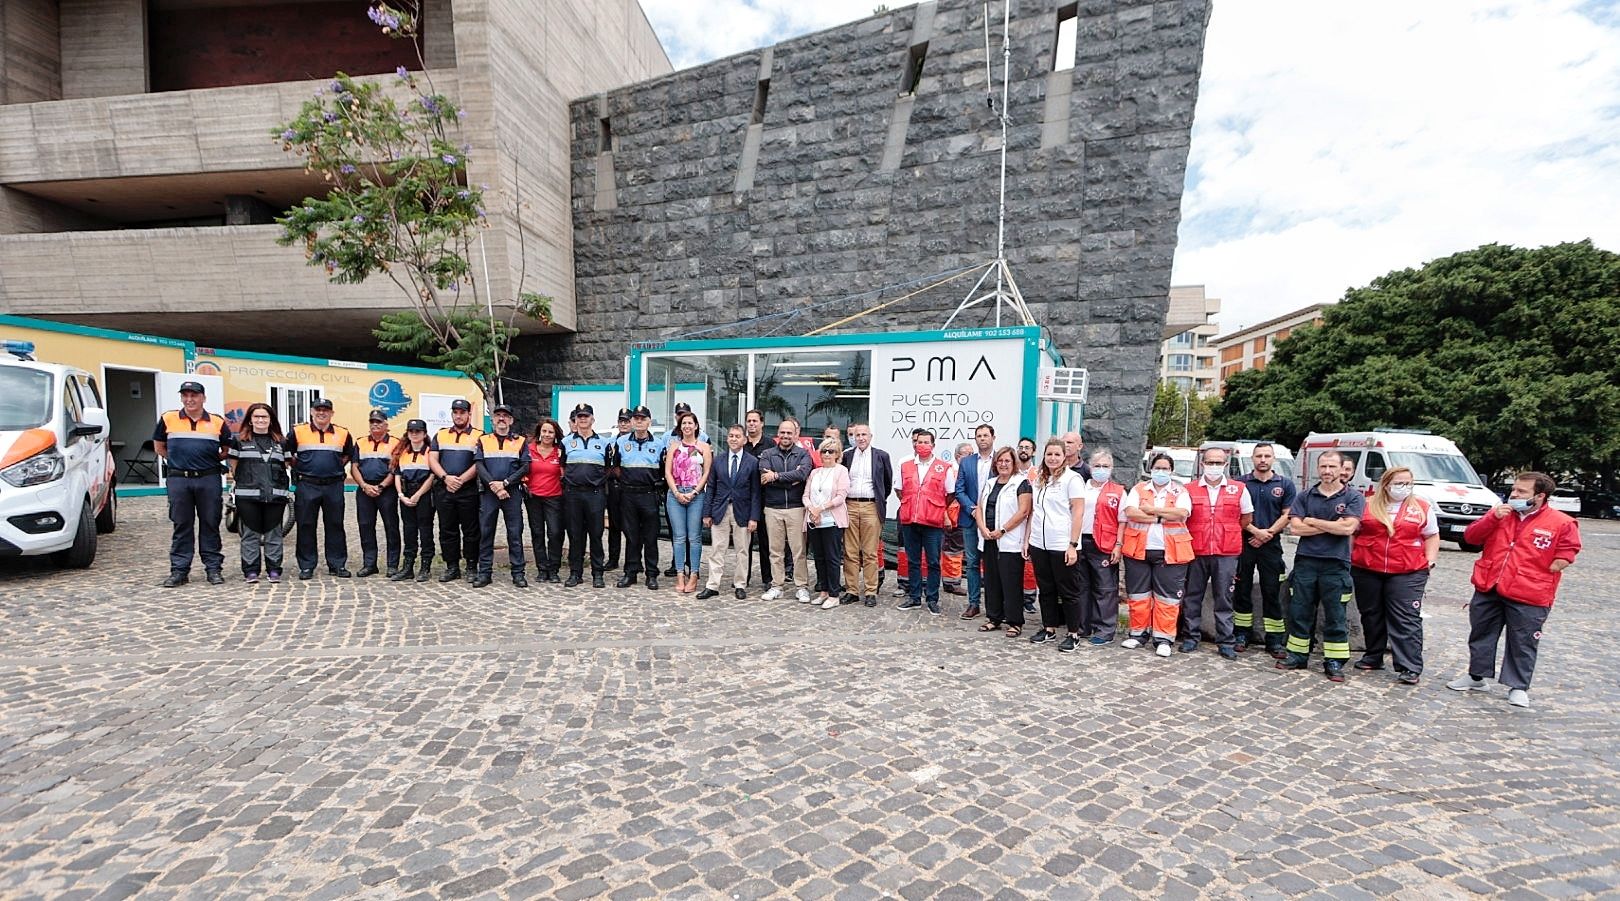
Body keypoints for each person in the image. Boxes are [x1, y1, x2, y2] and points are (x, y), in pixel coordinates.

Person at [1446, 472, 1581, 708]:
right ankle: (1476, 676)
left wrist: (1554, 565)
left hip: (1531, 590)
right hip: (1490, 583)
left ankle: (1518, 686)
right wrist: (1492, 519)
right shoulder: (1500, 514)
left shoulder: (1561, 522)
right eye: (1514, 490)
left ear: (1540, 496)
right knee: (1481, 633)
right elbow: (1471, 537)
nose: (1514, 494)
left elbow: (1568, 551)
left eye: (1521, 492)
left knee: (1523, 641)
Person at [1278, 450, 1364, 683]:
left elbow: (1348, 529)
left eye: (1332, 467)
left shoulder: (1353, 497)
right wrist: (1332, 525)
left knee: (1336, 615)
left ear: (1341, 469)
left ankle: (1334, 661)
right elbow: (1295, 528)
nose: (1327, 471)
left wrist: (1313, 521)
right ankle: (1297, 654)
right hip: (1306, 561)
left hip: (1336, 564)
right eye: (1323, 467)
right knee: (1300, 611)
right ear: (1318, 468)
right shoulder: (1305, 496)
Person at [1351, 467, 1439, 685]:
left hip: (1408, 570)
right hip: (1368, 567)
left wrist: (1430, 560)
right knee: (1371, 614)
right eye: (1399, 483)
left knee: (1405, 617)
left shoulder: (1421, 507)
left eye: (1408, 483)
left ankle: (1409, 666)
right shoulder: (1367, 504)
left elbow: (1432, 535)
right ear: (1386, 483)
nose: (1404, 487)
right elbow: (1354, 532)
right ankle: (1374, 655)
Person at [153, 380, 234, 586]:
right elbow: (159, 447)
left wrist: (209, 461)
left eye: (194, 395)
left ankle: (213, 569)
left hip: (208, 479)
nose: (190, 399)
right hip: (179, 479)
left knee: (210, 523)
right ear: (181, 397)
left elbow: (226, 449)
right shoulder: (168, 418)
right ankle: (179, 571)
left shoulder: (217, 422)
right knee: (182, 524)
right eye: (185, 395)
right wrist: (178, 462)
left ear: (203, 398)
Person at [1178, 445, 1253, 659]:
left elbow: (1246, 518)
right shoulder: (1189, 488)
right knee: (1192, 596)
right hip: (1196, 550)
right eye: (1210, 462)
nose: (1214, 466)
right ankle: (1191, 637)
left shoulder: (1238, 488)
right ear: (1202, 464)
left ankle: (1226, 641)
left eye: (1218, 463)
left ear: (1226, 464)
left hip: (1226, 552)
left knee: (1225, 597)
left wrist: (1225, 532)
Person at [1120, 452, 1193, 657]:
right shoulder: (1138, 489)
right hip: (1138, 550)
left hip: (1171, 552)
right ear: (1150, 469)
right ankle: (1138, 634)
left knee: (1167, 599)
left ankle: (1164, 638)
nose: (1161, 472)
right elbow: (1131, 512)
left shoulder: (1180, 491)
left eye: (1165, 468)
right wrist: (1161, 517)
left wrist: (1151, 510)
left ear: (1171, 470)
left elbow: (1181, 514)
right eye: (1157, 468)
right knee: (1138, 595)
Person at [1234, 442, 1296, 657]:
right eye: (1259, 455)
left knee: (1272, 591)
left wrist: (1267, 534)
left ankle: (1275, 639)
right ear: (1252, 458)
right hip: (1244, 544)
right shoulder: (1241, 484)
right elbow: (1236, 515)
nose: (1263, 459)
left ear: (1273, 459)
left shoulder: (1285, 484)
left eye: (1267, 456)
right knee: (1241, 591)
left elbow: (1287, 514)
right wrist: (1255, 532)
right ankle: (1242, 633)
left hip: (1272, 545)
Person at [1024, 438, 1085, 649]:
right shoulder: (1040, 479)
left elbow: (1078, 512)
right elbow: (1035, 511)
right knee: (1046, 588)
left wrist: (1072, 544)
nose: (1052, 458)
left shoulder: (1072, 479)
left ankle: (1073, 633)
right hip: (1040, 543)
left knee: (1068, 590)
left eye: (1057, 454)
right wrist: (1028, 540)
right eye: (1049, 454)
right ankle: (1048, 627)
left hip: (1061, 543)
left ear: (1064, 456)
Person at [286, 397, 355, 579]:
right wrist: (299, 465)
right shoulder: (297, 431)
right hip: (307, 484)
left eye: (326, 410)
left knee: (335, 525)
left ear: (332, 413)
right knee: (306, 525)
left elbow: (348, 454)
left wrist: (335, 466)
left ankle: (337, 564)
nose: (322, 412)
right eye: (318, 409)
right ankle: (307, 565)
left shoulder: (343, 433)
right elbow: (287, 453)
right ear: (311, 411)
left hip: (334, 485)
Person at [896, 428, 957, 616]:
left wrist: (934, 507)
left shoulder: (943, 467)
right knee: (913, 560)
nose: (921, 445)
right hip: (910, 520)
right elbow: (899, 490)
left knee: (932, 561)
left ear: (933, 445)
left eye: (925, 442)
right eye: (918, 442)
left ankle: (932, 598)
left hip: (933, 522)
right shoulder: (905, 465)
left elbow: (950, 494)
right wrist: (913, 504)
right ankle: (914, 597)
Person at [228, 402, 289, 584]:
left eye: (264, 417)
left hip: (275, 495)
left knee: (273, 533)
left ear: (271, 420)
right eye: (256, 417)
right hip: (248, 496)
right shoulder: (239, 441)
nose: (260, 420)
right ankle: (251, 570)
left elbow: (284, 465)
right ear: (250, 420)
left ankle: (274, 570)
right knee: (250, 533)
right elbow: (233, 466)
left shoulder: (281, 442)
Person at [699, 425, 760, 601]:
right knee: (717, 549)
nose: (733, 439)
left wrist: (754, 517)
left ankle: (740, 584)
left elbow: (756, 492)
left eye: (737, 436)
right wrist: (707, 513)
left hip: (743, 511)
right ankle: (712, 585)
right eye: (731, 436)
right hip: (720, 510)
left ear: (744, 440)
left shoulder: (752, 462)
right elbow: (711, 487)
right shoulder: (718, 460)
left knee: (742, 550)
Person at [975, 446, 1031, 637]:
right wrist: (983, 528)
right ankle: (994, 617)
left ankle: (1015, 621)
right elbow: (980, 507)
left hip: (1009, 540)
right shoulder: (990, 483)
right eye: (1000, 461)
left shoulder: (1021, 483)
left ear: (1014, 463)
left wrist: (1003, 529)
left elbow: (1023, 511)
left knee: (1011, 581)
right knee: (991, 580)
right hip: (988, 538)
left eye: (1007, 460)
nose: (1003, 464)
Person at [474, 403, 530, 588]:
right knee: (486, 532)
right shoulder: (484, 440)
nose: (501, 419)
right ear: (493, 419)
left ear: (511, 420)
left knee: (515, 533)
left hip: (511, 492)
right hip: (490, 492)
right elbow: (479, 465)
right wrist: (494, 485)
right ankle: (484, 573)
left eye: (505, 416)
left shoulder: (521, 441)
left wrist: (505, 484)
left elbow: (525, 466)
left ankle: (518, 573)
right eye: (498, 415)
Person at [759, 418, 813, 602]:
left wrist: (775, 476)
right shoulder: (767, 454)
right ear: (778, 434)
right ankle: (777, 585)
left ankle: (801, 586)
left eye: (789, 433)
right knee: (775, 550)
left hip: (796, 508)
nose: (785, 436)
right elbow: (763, 474)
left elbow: (802, 474)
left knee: (799, 550)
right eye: (782, 432)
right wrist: (789, 478)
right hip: (773, 508)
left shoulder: (803, 454)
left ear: (796, 434)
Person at [429, 399, 481, 583]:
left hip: (468, 490)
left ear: (468, 414)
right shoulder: (441, 435)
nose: (458, 416)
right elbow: (433, 459)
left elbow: (479, 463)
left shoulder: (478, 435)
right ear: (452, 414)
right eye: (455, 412)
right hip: (445, 489)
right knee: (447, 529)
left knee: (471, 530)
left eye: (462, 412)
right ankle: (452, 567)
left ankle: (472, 566)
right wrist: (445, 478)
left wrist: (460, 480)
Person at [561, 402, 613, 588]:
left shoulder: (604, 443)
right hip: (573, 494)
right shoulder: (566, 442)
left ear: (592, 419)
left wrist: (596, 481)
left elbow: (608, 468)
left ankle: (597, 574)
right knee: (575, 535)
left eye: (586, 416)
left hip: (595, 494)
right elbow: (562, 466)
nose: (583, 419)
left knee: (596, 534)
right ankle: (575, 573)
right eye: (579, 416)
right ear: (575, 420)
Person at [840, 423, 892, 607]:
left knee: (870, 552)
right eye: (857, 435)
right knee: (850, 551)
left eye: (864, 434)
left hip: (871, 506)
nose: (860, 438)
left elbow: (886, 484)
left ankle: (870, 591)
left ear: (871, 436)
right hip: (850, 505)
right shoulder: (847, 456)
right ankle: (851, 590)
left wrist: (877, 501)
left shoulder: (881, 456)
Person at [1076, 449, 1125, 645]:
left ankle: (1104, 629)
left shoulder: (1119, 491)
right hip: (1081, 542)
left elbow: (1123, 521)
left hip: (1105, 544)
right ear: (1090, 467)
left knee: (1105, 588)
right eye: (1097, 466)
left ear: (1111, 469)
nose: (1101, 469)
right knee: (1081, 587)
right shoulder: (1081, 488)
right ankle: (1082, 625)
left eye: (1105, 466)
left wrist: (1119, 545)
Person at [613, 406, 664, 590]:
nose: (639, 421)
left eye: (643, 418)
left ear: (649, 421)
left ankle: (651, 574)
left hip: (649, 494)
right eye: (636, 418)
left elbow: (663, 470)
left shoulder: (659, 444)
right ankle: (631, 573)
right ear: (632, 421)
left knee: (650, 537)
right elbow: (615, 467)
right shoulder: (622, 442)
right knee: (631, 536)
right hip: (628, 495)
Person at [665, 410, 713, 594]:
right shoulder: (674, 446)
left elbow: (707, 472)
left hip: (696, 494)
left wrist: (694, 491)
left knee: (694, 537)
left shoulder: (704, 447)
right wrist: (676, 492)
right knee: (678, 537)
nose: (686, 426)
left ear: (696, 426)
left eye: (690, 423)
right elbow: (668, 472)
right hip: (675, 494)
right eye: (683, 423)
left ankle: (694, 574)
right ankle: (679, 574)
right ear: (680, 426)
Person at [351, 409, 401, 578]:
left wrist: (380, 486)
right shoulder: (360, 442)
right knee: (365, 527)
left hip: (386, 491)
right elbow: (354, 467)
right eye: (372, 422)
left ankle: (392, 565)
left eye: (378, 422)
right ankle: (369, 564)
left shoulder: (396, 443)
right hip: (364, 490)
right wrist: (364, 486)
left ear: (386, 425)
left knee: (391, 527)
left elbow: (395, 469)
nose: (375, 425)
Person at [953, 424, 996, 618]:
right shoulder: (967, 462)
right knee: (971, 562)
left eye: (986, 435)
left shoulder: (1001, 460)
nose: (982, 439)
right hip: (970, 519)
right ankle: (973, 603)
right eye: (979, 436)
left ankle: (995, 605)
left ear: (993, 437)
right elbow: (959, 490)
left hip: (994, 520)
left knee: (994, 563)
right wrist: (972, 509)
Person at [804, 438, 850, 609]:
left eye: (831, 451)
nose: (827, 454)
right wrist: (812, 509)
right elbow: (805, 495)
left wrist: (821, 508)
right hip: (814, 520)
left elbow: (840, 496)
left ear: (838, 454)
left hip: (831, 520)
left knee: (832, 557)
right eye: (824, 451)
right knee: (819, 557)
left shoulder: (841, 471)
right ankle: (823, 590)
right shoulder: (815, 473)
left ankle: (834, 593)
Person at [392, 419, 436, 582]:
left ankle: (425, 566)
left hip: (424, 493)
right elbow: (397, 474)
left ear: (424, 434)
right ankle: (408, 566)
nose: (414, 434)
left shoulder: (430, 452)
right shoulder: (402, 452)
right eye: (411, 431)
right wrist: (401, 495)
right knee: (409, 531)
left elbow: (432, 475)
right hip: (406, 493)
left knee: (425, 530)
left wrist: (418, 495)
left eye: (418, 431)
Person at [523, 418, 565, 584]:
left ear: (555, 435)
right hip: (533, 498)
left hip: (554, 497)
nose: (547, 435)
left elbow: (565, 472)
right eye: (545, 431)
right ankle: (542, 569)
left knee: (555, 532)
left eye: (551, 432)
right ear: (539, 432)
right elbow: (521, 468)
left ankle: (554, 568)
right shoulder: (529, 449)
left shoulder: (560, 452)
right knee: (537, 533)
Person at [939, 441, 973, 598]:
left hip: (964, 516)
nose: (972, 457)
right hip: (951, 517)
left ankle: (952, 581)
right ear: (958, 456)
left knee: (957, 551)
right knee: (951, 550)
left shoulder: (970, 471)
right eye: (968, 453)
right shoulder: (950, 471)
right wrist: (945, 516)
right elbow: (944, 496)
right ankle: (951, 583)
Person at [604, 407, 631, 572]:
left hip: (629, 488)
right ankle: (613, 559)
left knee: (632, 526)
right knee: (614, 526)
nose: (624, 424)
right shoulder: (611, 442)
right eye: (621, 421)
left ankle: (633, 560)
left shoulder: (635, 441)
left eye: (627, 421)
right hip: (614, 487)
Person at [1017, 436, 1039, 614]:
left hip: (1032, 521)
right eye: (1021, 447)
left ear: (1033, 452)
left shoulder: (1038, 473)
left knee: (1030, 563)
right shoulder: (1012, 471)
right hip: (1014, 522)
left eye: (1027, 448)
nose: (1024, 450)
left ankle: (1029, 598)